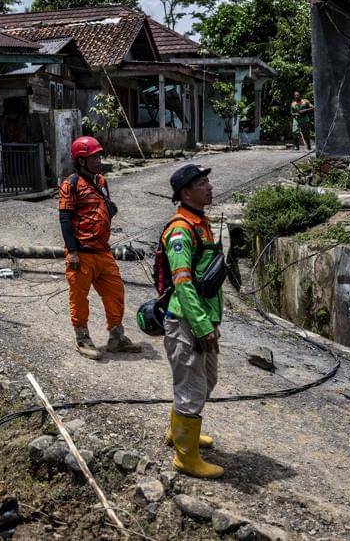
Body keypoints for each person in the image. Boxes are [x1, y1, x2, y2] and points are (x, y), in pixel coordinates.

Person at [161, 163, 224, 478]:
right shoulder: (181, 229)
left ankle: (179, 431)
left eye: (208, 181)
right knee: (192, 386)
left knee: (204, 381)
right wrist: (201, 325)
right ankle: (186, 458)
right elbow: (183, 283)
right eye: (202, 183)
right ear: (186, 193)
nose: (210, 186)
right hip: (187, 320)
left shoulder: (200, 222)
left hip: (203, 318)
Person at [58, 136, 143, 359]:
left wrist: (107, 212)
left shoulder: (102, 182)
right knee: (79, 297)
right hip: (81, 253)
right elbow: (65, 219)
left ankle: (116, 337)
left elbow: (106, 205)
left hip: (102, 251)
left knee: (115, 292)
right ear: (81, 160)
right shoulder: (71, 184)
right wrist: (73, 252)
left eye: (99, 155)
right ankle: (83, 339)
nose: (98, 160)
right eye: (93, 157)